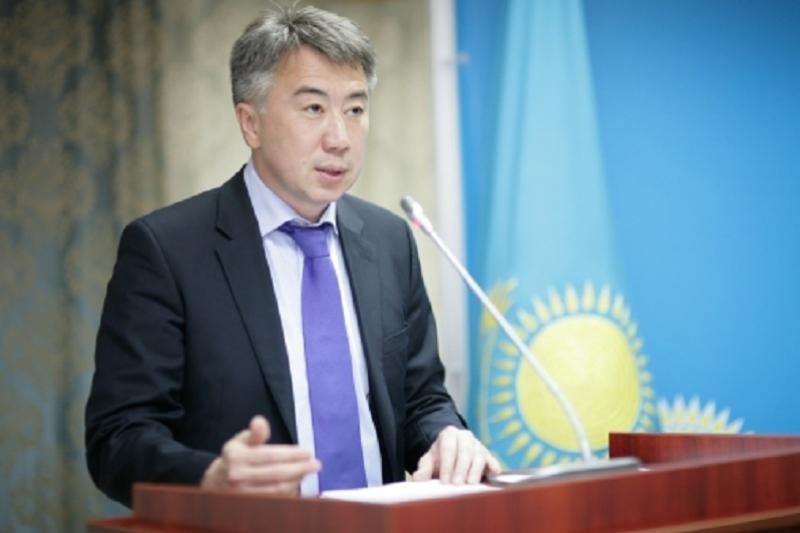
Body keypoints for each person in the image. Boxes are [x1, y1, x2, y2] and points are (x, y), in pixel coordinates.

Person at [85, 5, 500, 507]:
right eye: (313, 109)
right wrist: (209, 477)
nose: (340, 139)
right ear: (250, 123)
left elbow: (422, 399)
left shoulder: (390, 240)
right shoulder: (167, 250)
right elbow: (118, 436)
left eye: (355, 110)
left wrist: (447, 436)